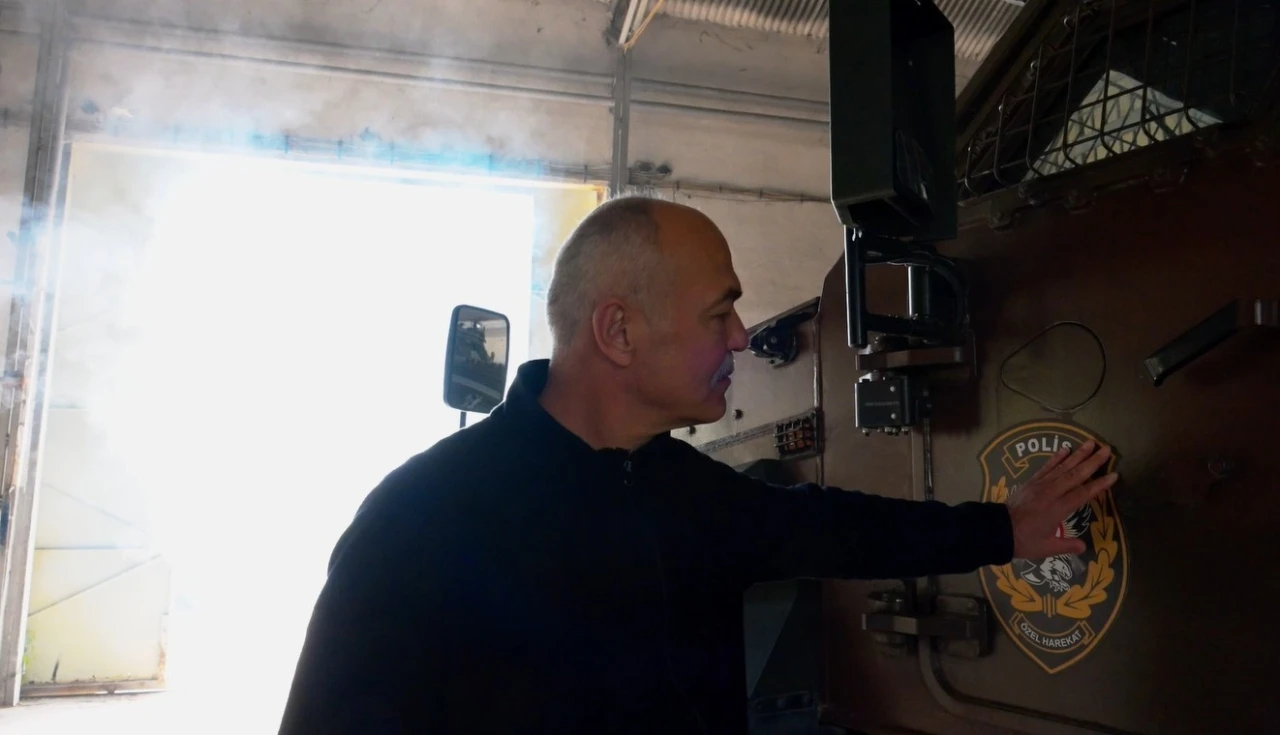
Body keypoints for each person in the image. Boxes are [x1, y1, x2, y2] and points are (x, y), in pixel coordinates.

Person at [277, 197, 1117, 734]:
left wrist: (1006, 528)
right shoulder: (422, 520)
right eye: (721, 312)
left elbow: (843, 528)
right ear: (618, 331)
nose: (743, 337)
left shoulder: (686, 490)